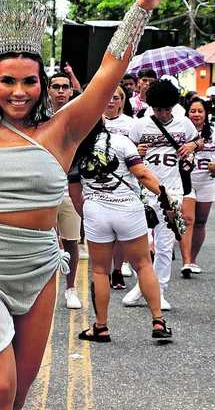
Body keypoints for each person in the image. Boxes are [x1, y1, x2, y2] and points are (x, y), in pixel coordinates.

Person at [0, 0, 181, 408]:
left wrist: (143, 7)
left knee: (19, 392)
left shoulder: (64, 130)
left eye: (29, 81)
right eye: (7, 81)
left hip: (38, 267)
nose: (18, 91)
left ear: (42, 83)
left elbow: (109, 71)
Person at [69, 120, 172, 342]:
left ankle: (101, 327)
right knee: (143, 264)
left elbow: (75, 193)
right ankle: (158, 321)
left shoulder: (75, 149)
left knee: (99, 270)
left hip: (96, 210)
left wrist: (86, 215)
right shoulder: (121, 141)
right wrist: (164, 195)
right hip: (128, 208)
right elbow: (142, 174)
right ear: (103, 121)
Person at [126, 78, 200, 309]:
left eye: (168, 109)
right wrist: (135, 151)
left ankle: (159, 291)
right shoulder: (139, 125)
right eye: (159, 109)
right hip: (145, 193)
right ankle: (143, 285)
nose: (164, 114)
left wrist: (193, 146)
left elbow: (198, 140)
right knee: (143, 243)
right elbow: (126, 154)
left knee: (166, 244)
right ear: (150, 106)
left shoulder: (184, 123)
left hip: (173, 191)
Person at [47, 71, 83, 307]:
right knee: (44, 241)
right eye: (56, 86)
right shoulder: (38, 117)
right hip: (43, 187)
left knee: (71, 240)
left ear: (71, 90)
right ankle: (43, 289)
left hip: (70, 185)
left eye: (65, 87)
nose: (60, 91)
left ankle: (70, 289)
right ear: (48, 90)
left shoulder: (80, 116)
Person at [180, 96, 215, 275]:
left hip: (208, 181)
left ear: (206, 113)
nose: (196, 115)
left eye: (200, 111)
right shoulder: (181, 131)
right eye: (193, 111)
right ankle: (186, 261)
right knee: (187, 219)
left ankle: (194, 258)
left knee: (200, 222)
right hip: (186, 180)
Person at [102, 84, 134, 284]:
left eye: (116, 98)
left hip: (124, 180)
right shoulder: (93, 121)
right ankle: (102, 270)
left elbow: (139, 148)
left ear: (122, 102)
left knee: (120, 229)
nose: (111, 101)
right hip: (98, 180)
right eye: (108, 97)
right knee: (104, 229)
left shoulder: (131, 124)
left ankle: (117, 270)